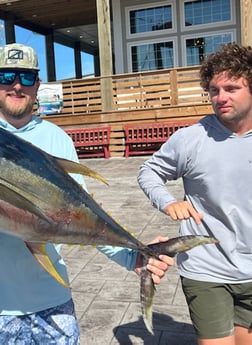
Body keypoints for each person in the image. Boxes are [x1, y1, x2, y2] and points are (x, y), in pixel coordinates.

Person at [0, 43, 173, 344]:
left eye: (26, 77)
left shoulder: (57, 139)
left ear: (37, 86)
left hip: (51, 303)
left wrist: (132, 256)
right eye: (7, 76)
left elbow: (81, 215)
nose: (17, 85)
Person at [137, 42, 252, 345]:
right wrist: (168, 201)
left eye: (231, 88)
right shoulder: (191, 139)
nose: (221, 97)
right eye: (214, 90)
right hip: (206, 268)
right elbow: (149, 171)